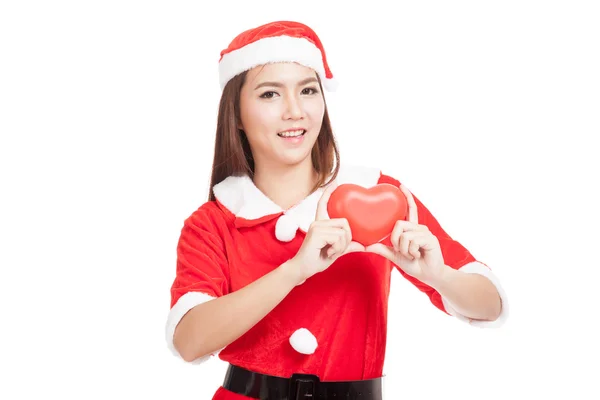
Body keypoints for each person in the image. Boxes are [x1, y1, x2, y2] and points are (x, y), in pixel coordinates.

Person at [164, 20, 508, 400]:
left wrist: (440, 275)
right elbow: (189, 340)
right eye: (269, 95)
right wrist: (294, 271)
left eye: (308, 90)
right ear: (238, 115)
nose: (295, 111)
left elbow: (489, 304)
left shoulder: (378, 196)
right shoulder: (214, 222)